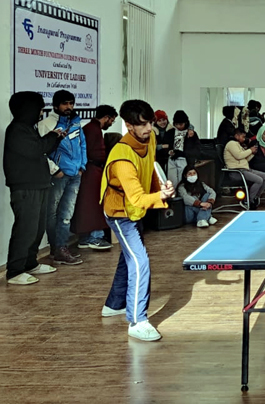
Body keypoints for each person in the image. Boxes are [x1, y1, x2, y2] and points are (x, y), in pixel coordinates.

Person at [100, 99, 176, 341]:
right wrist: (159, 196)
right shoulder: (121, 156)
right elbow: (135, 197)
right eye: (142, 125)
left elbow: (151, 167)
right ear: (128, 125)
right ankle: (137, 321)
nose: (148, 129)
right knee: (139, 261)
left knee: (128, 256)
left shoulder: (150, 139)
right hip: (120, 212)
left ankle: (113, 305)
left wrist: (161, 188)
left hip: (137, 210)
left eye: (150, 123)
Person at [4, 91, 65, 285]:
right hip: (26, 188)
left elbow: (40, 147)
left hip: (39, 185)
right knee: (26, 229)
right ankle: (14, 271)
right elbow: (38, 149)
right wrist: (53, 137)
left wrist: (52, 137)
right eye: (39, 108)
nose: (41, 112)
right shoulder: (17, 130)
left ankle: (30, 263)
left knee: (37, 229)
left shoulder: (28, 128)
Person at [39, 90, 86, 266]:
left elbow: (83, 145)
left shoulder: (75, 123)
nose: (69, 107)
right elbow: (41, 151)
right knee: (52, 213)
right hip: (58, 175)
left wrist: (82, 166)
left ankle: (61, 248)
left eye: (71, 103)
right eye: (65, 104)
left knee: (67, 214)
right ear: (56, 105)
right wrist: (54, 170)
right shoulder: (46, 124)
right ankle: (56, 249)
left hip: (75, 174)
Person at [74, 105, 117, 250]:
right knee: (94, 204)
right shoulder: (92, 130)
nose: (111, 123)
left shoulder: (92, 128)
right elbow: (90, 153)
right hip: (92, 170)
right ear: (106, 117)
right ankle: (95, 237)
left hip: (93, 170)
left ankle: (85, 238)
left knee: (87, 204)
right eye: (111, 120)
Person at [224, 128, 265, 208]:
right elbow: (238, 156)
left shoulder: (238, 145)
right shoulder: (231, 144)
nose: (244, 139)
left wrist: (252, 153)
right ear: (237, 136)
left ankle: (255, 197)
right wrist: (250, 150)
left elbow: (245, 159)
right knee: (259, 180)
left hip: (245, 169)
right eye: (243, 136)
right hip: (236, 171)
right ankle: (247, 200)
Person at [164, 110, 201, 186]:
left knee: (182, 180)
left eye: (181, 124)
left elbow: (197, 149)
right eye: (176, 124)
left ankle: (182, 195)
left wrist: (183, 154)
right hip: (172, 158)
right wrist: (169, 151)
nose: (179, 126)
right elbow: (165, 145)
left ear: (186, 123)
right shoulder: (170, 132)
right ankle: (173, 196)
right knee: (171, 180)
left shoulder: (191, 133)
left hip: (185, 159)